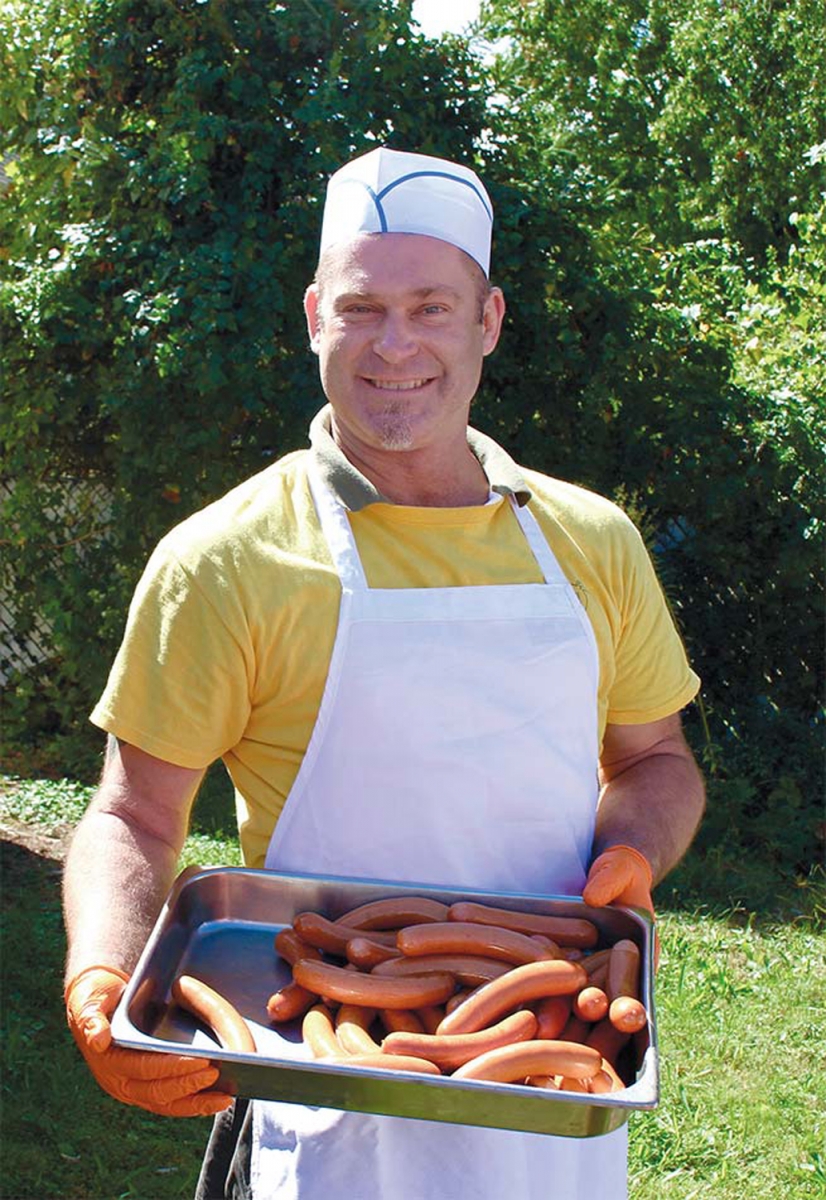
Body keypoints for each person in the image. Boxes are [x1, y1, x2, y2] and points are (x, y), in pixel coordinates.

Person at [63, 147, 705, 1200]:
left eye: (430, 308)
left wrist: (632, 851)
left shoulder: (593, 540)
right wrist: (102, 973)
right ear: (315, 315)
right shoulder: (225, 559)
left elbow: (654, 756)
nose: (394, 345)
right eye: (361, 309)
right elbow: (133, 816)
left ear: (487, 321)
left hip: (550, 1071)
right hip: (323, 1083)